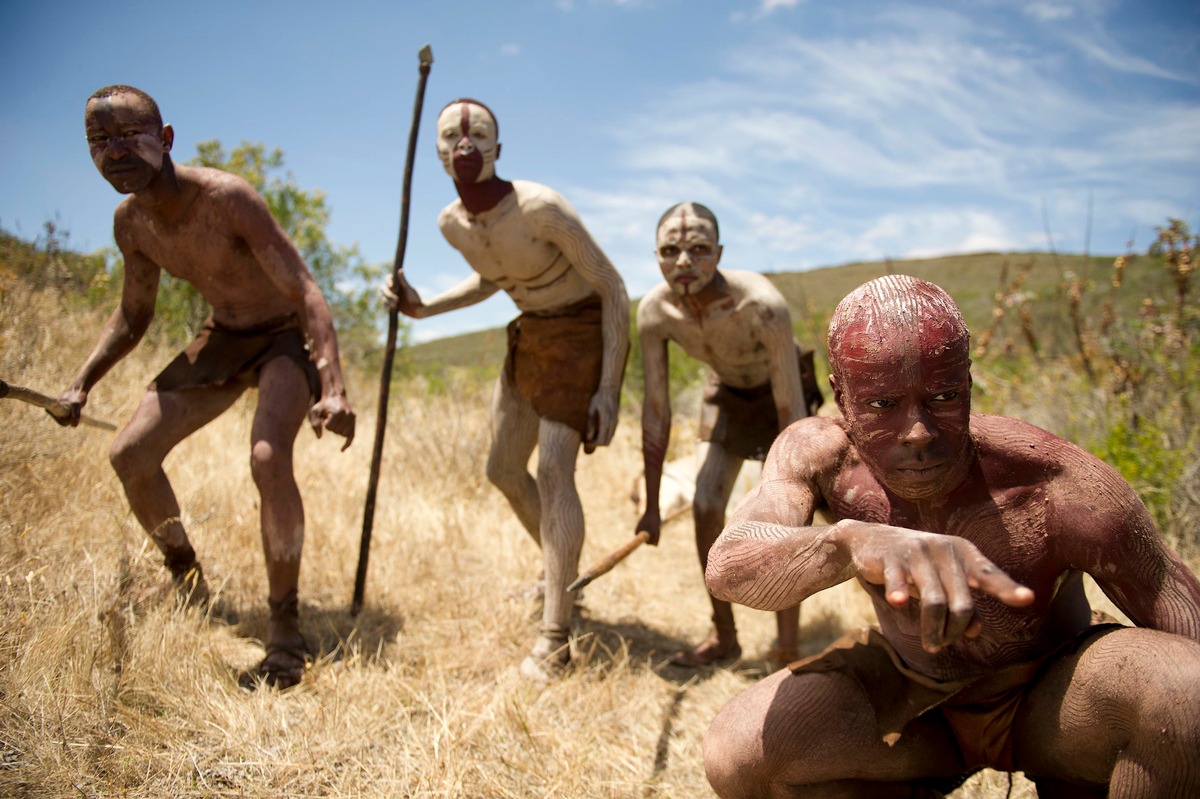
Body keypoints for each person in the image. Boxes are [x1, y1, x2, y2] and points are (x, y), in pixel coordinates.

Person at [702, 274, 1200, 797]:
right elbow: (729, 566)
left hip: (1055, 697)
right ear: (841, 397)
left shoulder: (1054, 481)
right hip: (915, 699)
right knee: (738, 755)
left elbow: (1185, 623)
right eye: (881, 405)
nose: (917, 431)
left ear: (968, 384)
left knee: (1183, 694)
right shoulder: (819, 454)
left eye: (942, 396)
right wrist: (850, 543)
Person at [56, 85, 356, 689]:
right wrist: (81, 384)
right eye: (98, 141)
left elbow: (304, 290)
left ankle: (284, 630)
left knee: (269, 458)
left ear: (166, 140)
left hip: (282, 339)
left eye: (127, 136)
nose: (113, 152)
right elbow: (133, 316)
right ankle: (186, 577)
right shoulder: (131, 223)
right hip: (223, 337)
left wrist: (333, 385)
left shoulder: (228, 199)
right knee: (130, 454)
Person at [382, 98, 630, 681]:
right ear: (439, 152)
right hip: (529, 337)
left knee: (553, 471)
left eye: (478, 136)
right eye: (451, 137)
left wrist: (609, 389)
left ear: (497, 148)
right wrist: (424, 308)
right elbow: (495, 279)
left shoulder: (541, 208)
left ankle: (556, 636)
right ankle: (560, 575)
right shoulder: (451, 224)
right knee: (500, 468)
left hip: (580, 335)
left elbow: (613, 287)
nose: (464, 145)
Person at [635, 202, 821, 669]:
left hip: (782, 394)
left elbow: (791, 413)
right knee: (704, 507)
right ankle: (725, 636)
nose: (683, 262)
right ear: (655, 256)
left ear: (718, 253)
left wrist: (793, 482)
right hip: (726, 394)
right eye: (670, 250)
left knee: (786, 517)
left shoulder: (759, 304)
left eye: (698, 249)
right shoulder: (656, 312)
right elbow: (655, 410)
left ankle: (787, 648)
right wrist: (652, 506)